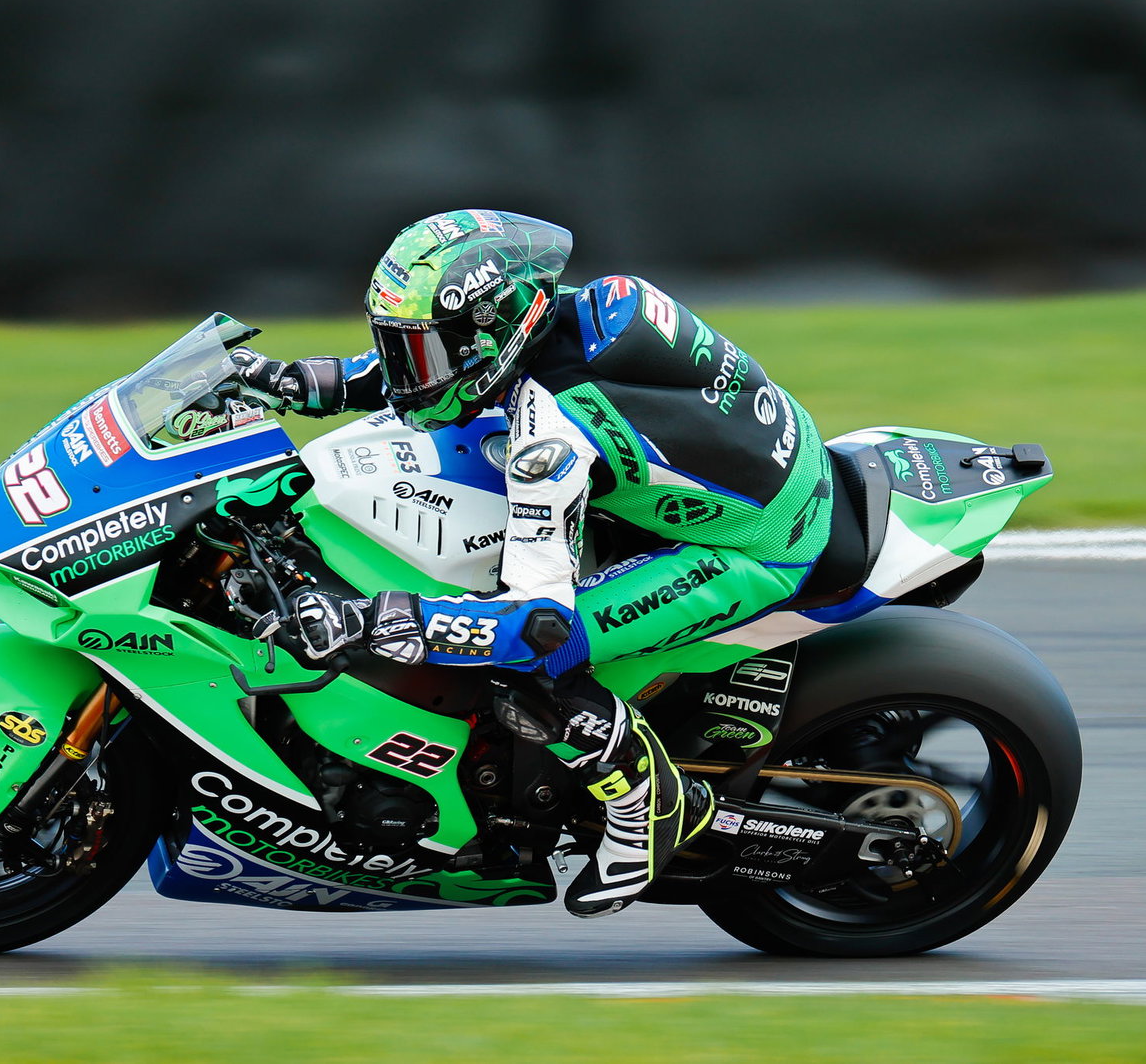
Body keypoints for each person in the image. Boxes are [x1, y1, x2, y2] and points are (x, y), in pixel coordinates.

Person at [231, 209, 832, 917]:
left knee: (531, 668)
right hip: (766, 468)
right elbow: (428, 380)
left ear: (499, 330)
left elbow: (539, 621)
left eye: (420, 353)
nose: (408, 372)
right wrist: (292, 380)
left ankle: (650, 805)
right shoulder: (597, 303)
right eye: (402, 350)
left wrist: (383, 618)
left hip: (750, 549)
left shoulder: (548, 442)